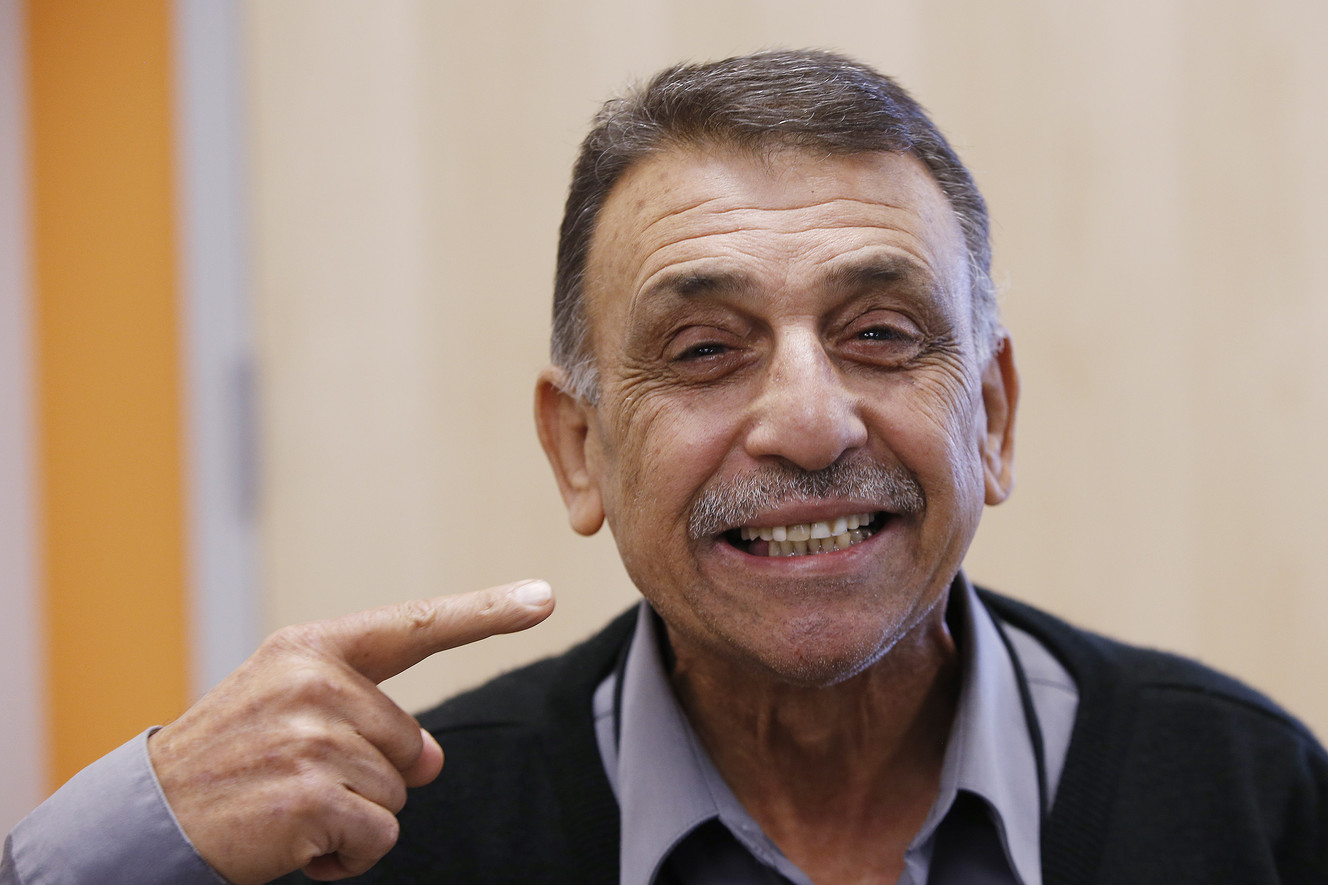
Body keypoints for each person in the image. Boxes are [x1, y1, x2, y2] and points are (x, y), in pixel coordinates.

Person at [4, 49, 1326, 885]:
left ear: (991, 414)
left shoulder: (1247, 795)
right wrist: (136, 844)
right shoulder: (401, 836)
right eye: (703, 349)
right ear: (580, 448)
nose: (810, 423)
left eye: (879, 334)